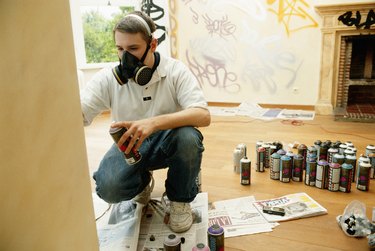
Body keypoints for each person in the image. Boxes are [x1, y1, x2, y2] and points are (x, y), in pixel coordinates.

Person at [80, 10, 211, 233]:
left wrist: (153, 123)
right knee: (108, 189)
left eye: (133, 49)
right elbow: (79, 114)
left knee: (188, 136)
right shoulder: (108, 78)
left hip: (170, 141)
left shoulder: (174, 70)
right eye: (120, 49)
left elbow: (203, 115)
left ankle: (180, 199)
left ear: (152, 44)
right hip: (130, 147)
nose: (125, 58)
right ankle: (141, 181)